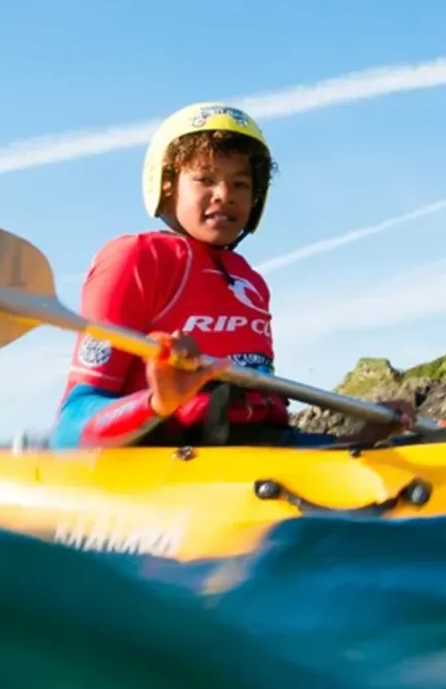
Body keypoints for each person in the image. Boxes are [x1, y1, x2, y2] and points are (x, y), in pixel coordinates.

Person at [49, 102, 415, 449]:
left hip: (254, 461)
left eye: (240, 184)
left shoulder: (250, 282)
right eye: (205, 179)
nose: (224, 195)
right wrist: (158, 402)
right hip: (167, 463)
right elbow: (68, 432)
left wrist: (363, 440)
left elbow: (263, 435)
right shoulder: (135, 259)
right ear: (167, 185)